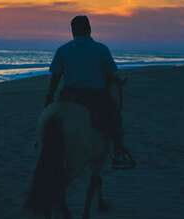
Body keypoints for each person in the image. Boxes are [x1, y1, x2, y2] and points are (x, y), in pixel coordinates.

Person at [45, 15, 134, 169]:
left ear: (73, 31)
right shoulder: (101, 49)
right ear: (89, 29)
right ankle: (118, 151)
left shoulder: (63, 50)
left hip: (69, 97)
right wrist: (121, 81)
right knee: (114, 117)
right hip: (95, 97)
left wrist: (49, 98)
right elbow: (112, 74)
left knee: (50, 121)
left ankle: (43, 147)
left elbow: (55, 77)